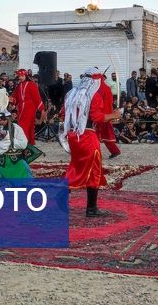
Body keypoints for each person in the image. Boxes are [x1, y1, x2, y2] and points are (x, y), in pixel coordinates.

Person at [61, 67, 122, 217]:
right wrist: (114, 115)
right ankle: (90, 208)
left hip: (74, 136)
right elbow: (97, 117)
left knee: (76, 166)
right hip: (87, 135)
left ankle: (84, 204)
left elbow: (63, 113)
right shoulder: (94, 95)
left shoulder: (71, 94)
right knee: (93, 169)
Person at [0, 111, 32, 179]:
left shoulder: (17, 128)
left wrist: (8, 140)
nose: (2, 122)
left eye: (4, 120)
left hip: (16, 161)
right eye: (0, 120)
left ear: (9, 119)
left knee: (25, 182)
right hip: (1, 162)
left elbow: (24, 144)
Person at [10, 69, 44, 145]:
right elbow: (15, 98)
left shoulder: (31, 84)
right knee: (26, 126)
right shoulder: (19, 86)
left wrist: (41, 108)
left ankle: (24, 143)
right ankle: (29, 143)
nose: (20, 77)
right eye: (19, 76)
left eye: (22, 76)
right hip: (21, 108)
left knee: (24, 126)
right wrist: (11, 100)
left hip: (30, 107)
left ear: (26, 75)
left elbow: (36, 97)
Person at [96, 75, 121, 158]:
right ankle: (115, 150)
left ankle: (95, 153)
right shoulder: (107, 88)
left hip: (100, 114)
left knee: (95, 134)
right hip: (108, 114)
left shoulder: (97, 89)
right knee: (106, 134)